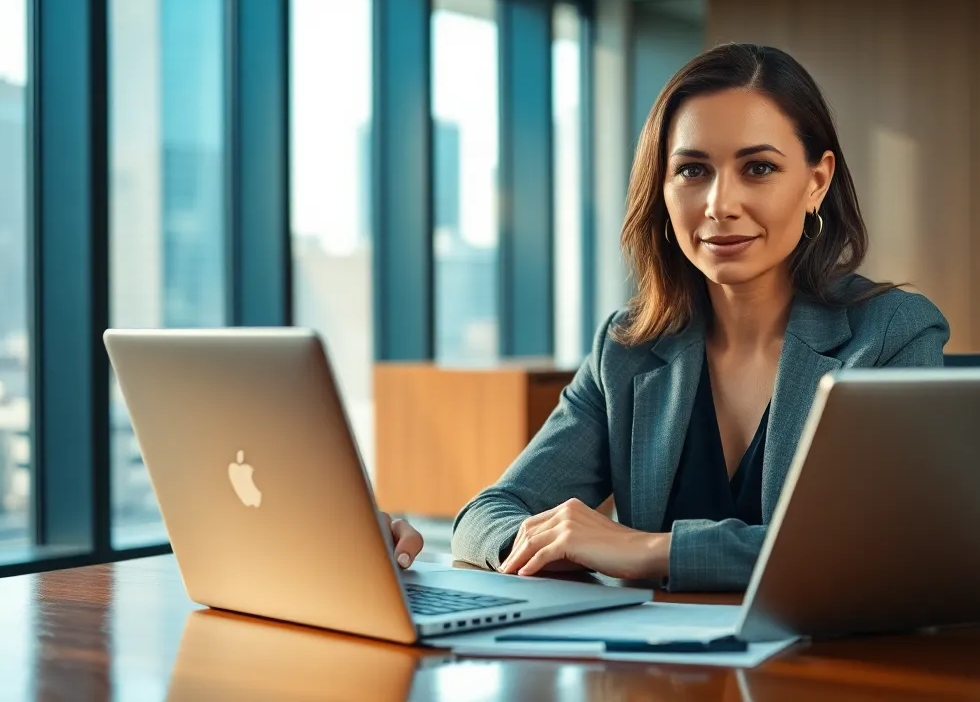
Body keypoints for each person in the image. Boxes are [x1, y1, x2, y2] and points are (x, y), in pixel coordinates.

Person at [394, 42, 950, 591]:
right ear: (661, 188)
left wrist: (647, 549)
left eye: (758, 167)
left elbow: (884, 541)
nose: (719, 204)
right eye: (692, 170)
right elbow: (489, 514)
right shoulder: (628, 346)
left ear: (816, 181)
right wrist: (538, 545)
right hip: (660, 670)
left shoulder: (891, 335)